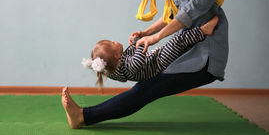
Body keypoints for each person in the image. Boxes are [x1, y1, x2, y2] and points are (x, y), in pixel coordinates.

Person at [62, 0, 235, 129]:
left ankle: (83, 116)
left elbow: (194, 8)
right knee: (145, 88)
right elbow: (176, 9)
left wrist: (156, 37)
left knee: (146, 89)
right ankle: (83, 116)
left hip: (205, 53)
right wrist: (148, 31)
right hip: (189, 45)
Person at [82, 16, 218, 86]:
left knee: (179, 44)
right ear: (117, 55)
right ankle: (203, 30)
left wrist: (137, 40)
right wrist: (142, 43)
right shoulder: (128, 66)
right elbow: (138, 60)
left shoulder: (114, 68)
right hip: (159, 63)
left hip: (156, 59)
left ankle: (196, 36)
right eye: (112, 43)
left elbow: (130, 55)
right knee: (178, 40)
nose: (115, 41)